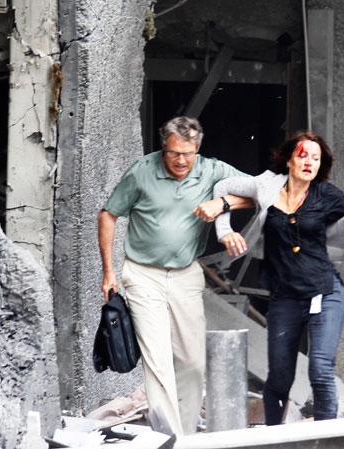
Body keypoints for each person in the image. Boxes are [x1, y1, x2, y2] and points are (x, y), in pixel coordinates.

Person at [207, 130, 344, 424]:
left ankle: (326, 439)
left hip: (325, 292)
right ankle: (275, 439)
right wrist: (225, 230)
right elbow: (222, 187)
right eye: (303, 155)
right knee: (280, 377)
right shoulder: (266, 184)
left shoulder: (327, 196)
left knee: (320, 369)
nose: (309, 162)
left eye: (316, 158)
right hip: (285, 297)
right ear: (289, 160)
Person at [97, 116, 250, 436]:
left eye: (188, 154)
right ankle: (171, 438)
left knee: (192, 363)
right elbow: (108, 215)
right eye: (174, 153)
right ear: (163, 148)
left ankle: (187, 435)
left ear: (198, 149)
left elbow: (259, 192)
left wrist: (222, 203)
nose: (181, 161)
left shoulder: (212, 170)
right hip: (143, 275)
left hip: (186, 274)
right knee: (158, 362)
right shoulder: (142, 171)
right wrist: (109, 272)